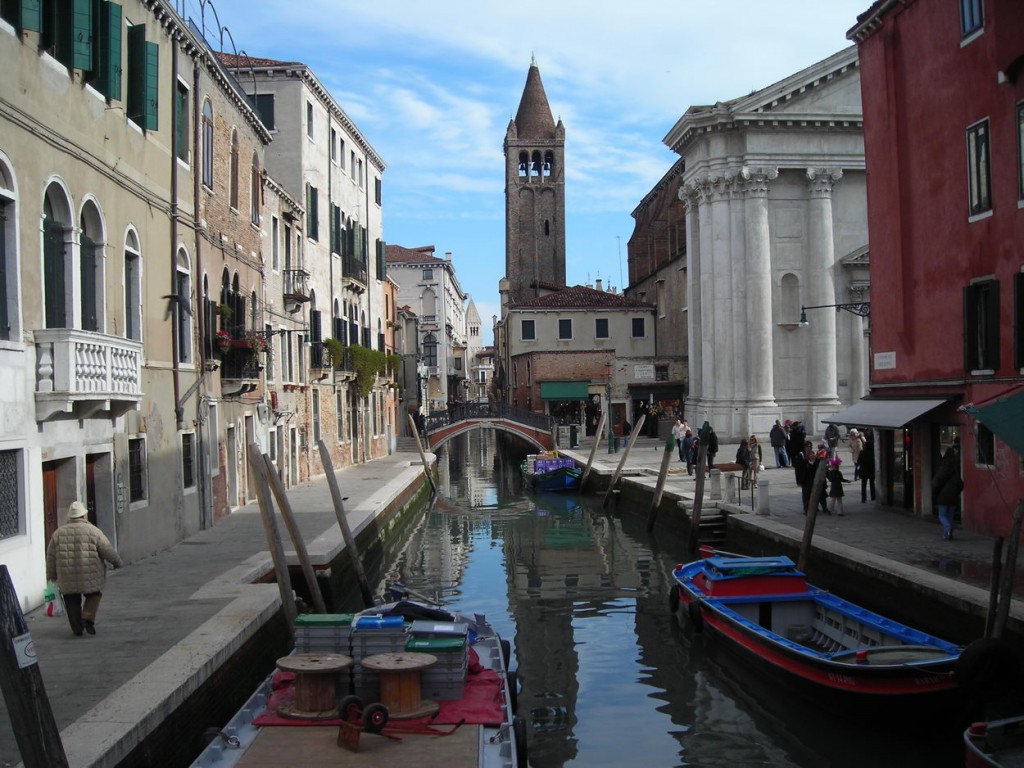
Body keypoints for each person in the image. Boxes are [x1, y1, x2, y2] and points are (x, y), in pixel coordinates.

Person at [45, 501, 122, 637]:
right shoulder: (94, 531)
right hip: (90, 574)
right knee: (94, 594)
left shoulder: (58, 534)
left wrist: (51, 577)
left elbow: (51, 558)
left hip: (67, 575)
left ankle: (77, 628)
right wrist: (117, 562)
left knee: (71, 599)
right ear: (84, 516)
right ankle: (87, 617)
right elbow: (107, 550)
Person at [933, 444, 963, 540]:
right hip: (953, 498)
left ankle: (948, 528)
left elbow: (936, 483)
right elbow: (961, 484)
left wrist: (935, 494)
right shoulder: (956, 471)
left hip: (943, 498)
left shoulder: (942, 471)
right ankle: (947, 535)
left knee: (942, 515)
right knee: (950, 516)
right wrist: (956, 493)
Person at [857, 434, 876, 503]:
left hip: (864, 470)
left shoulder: (862, 452)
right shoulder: (873, 453)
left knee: (863, 485)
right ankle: (873, 497)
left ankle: (863, 498)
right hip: (871, 470)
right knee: (872, 484)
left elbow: (859, 461)